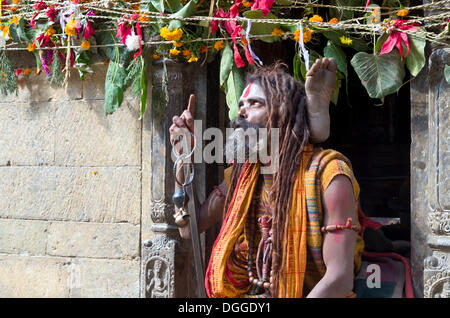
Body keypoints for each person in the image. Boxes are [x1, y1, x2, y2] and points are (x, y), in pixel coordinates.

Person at [169, 58, 364, 298]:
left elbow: (339, 278)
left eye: (254, 103)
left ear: (282, 114)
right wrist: (182, 158)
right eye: (241, 104)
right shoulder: (240, 176)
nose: (241, 111)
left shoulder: (330, 174)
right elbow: (190, 228)